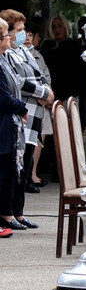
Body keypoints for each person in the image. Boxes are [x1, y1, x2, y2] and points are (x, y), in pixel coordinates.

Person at [0, 8, 52, 232]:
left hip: (33, 112)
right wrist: (42, 93)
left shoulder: (23, 50)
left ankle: (18, 213)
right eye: (18, 30)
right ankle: (9, 213)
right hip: (23, 111)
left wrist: (46, 91)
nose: (23, 34)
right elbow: (18, 81)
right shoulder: (8, 54)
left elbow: (39, 74)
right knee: (15, 167)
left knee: (26, 163)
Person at [0, 18, 28, 237]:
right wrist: (21, 108)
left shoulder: (4, 59)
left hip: (9, 124)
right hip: (3, 123)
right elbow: (3, 97)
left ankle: (8, 215)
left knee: (9, 172)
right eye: (5, 35)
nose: (9, 37)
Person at [24, 23, 51, 188]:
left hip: (42, 104)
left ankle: (33, 173)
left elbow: (45, 76)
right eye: (24, 33)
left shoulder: (38, 56)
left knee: (39, 139)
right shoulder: (15, 55)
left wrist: (47, 94)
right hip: (27, 103)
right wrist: (41, 94)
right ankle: (26, 175)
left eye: (30, 34)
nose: (27, 38)